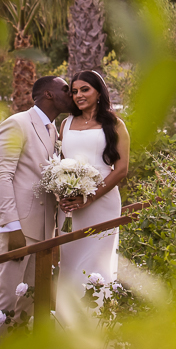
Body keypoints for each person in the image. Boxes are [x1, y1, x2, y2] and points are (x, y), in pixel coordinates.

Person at [0, 74, 75, 349]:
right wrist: (12, 227)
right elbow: (1, 175)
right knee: (7, 297)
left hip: (43, 230)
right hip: (17, 227)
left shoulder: (53, 131)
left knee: (27, 302)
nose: (71, 93)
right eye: (65, 89)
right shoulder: (17, 123)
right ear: (48, 94)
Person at [57, 70, 130, 296]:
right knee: (69, 263)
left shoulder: (116, 125)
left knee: (96, 264)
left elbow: (121, 170)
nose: (78, 95)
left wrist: (90, 197)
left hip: (102, 204)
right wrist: (62, 195)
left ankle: (99, 319)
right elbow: (58, 164)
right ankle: (67, 324)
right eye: (75, 91)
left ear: (99, 92)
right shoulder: (65, 124)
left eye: (85, 89)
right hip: (71, 207)